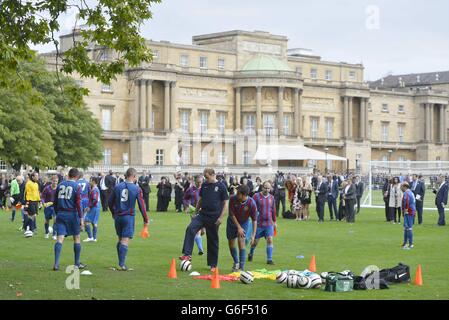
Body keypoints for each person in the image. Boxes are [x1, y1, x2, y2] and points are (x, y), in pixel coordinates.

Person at [179, 168, 229, 271]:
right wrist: (195, 212)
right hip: (202, 215)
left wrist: (221, 217)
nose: (205, 179)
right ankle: (187, 254)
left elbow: (225, 204)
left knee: (212, 240)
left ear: (213, 175)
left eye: (207, 177)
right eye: (204, 177)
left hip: (214, 217)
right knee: (190, 228)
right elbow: (200, 200)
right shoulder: (205, 186)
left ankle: (213, 265)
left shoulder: (221, 186)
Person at [108, 168, 148, 271]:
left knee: (120, 239)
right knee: (125, 240)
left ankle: (120, 262)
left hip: (118, 217)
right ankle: (121, 265)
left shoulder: (117, 187)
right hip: (128, 217)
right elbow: (142, 206)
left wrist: (113, 213)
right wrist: (145, 219)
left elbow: (109, 202)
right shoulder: (136, 189)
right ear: (133, 176)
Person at [53, 168, 86, 271]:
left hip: (61, 214)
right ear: (76, 176)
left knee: (60, 238)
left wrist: (57, 213)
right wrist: (81, 218)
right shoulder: (77, 186)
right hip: (72, 214)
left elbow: (55, 202)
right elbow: (78, 203)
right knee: (76, 237)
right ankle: (76, 263)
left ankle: (56, 263)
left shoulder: (60, 185)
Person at [227, 184, 257, 272]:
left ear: (244, 195)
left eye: (238, 193)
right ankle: (236, 262)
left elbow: (254, 220)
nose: (236, 194)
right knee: (231, 243)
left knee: (241, 241)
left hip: (244, 223)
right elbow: (231, 214)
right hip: (232, 222)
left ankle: (241, 268)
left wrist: (253, 235)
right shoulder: (232, 199)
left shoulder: (251, 203)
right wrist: (238, 227)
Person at [249, 181, 276, 265]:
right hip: (259, 224)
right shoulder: (256, 196)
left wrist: (274, 221)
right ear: (262, 187)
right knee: (255, 242)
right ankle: (251, 253)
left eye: (268, 188)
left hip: (268, 224)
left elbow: (273, 210)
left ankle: (269, 259)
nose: (267, 190)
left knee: (270, 240)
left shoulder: (272, 198)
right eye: (265, 187)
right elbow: (252, 207)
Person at [183, 175, 204, 255]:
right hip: (193, 211)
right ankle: (200, 249)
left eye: (200, 182)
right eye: (198, 182)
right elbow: (185, 198)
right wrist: (187, 206)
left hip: (204, 211)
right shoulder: (190, 190)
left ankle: (197, 239)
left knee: (202, 231)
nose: (199, 184)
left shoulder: (205, 189)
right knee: (198, 231)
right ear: (194, 181)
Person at [83, 177, 101, 242]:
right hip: (97, 207)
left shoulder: (94, 190)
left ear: (93, 181)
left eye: (90, 181)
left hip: (94, 208)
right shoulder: (95, 189)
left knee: (86, 221)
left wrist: (89, 207)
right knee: (94, 223)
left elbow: (95, 200)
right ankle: (94, 238)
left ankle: (90, 237)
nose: (89, 182)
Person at [41, 175, 58, 239]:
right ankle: (46, 233)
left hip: (55, 207)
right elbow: (42, 197)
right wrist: (43, 203)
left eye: (56, 181)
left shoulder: (59, 188)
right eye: (54, 181)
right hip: (48, 207)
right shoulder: (47, 188)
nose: (55, 183)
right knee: (47, 221)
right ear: (51, 181)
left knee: (55, 220)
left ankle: (54, 234)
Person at [401, 182, 416, 249]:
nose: (400, 188)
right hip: (411, 211)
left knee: (409, 228)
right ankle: (405, 243)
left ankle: (410, 243)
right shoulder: (411, 192)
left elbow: (406, 202)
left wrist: (405, 210)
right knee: (406, 227)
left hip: (408, 212)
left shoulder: (406, 193)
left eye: (401, 186)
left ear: (404, 187)